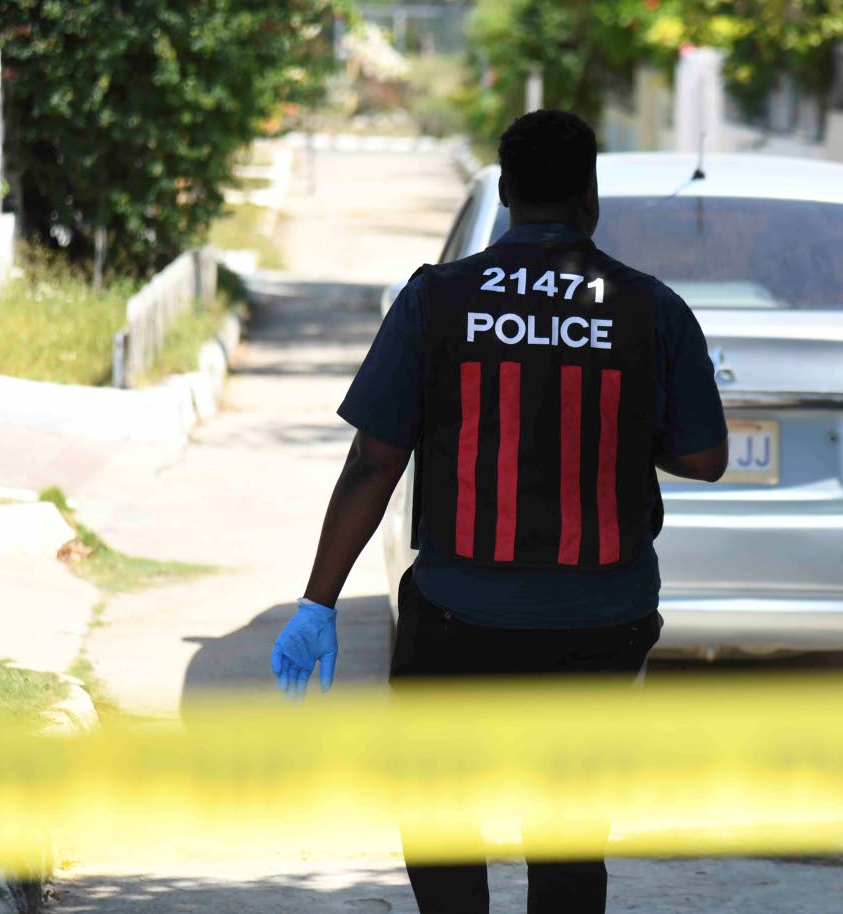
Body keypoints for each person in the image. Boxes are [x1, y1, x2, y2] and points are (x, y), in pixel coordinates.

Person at [270, 109, 728, 914]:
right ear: (590, 196)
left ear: (508, 191)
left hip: (459, 618)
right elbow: (703, 457)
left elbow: (375, 459)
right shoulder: (651, 307)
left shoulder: (437, 299)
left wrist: (319, 599)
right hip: (603, 619)